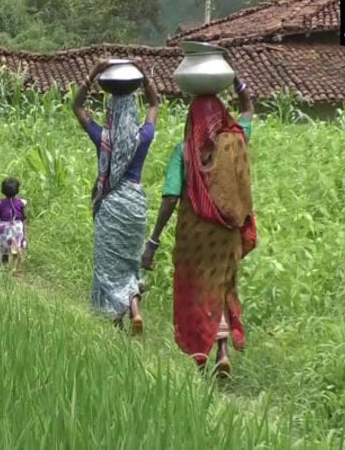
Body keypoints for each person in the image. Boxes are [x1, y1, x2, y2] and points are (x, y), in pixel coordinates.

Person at [141, 76, 255, 376]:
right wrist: (237, 83)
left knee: (196, 290)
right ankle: (222, 350)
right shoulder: (235, 140)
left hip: (194, 237)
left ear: (192, 120)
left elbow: (169, 198)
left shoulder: (184, 152)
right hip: (226, 236)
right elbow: (247, 112)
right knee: (222, 287)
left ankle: (202, 350)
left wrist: (152, 242)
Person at [72, 59, 159, 334]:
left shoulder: (103, 138)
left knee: (109, 267)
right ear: (132, 111)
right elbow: (154, 106)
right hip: (135, 205)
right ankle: (133, 304)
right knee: (129, 263)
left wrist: (95, 72)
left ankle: (119, 322)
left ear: (111, 110)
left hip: (111, 207)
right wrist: (144, 76)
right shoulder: (142, 137)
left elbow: (77, 106)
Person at [0, 178, 28, 275]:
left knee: (4, 248)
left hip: (4, 228)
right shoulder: (21, 203)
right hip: (16, 227)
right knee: (16, 249)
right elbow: (24, 216)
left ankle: (4, 266)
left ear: (3, 190)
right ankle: (15, 268)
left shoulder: (0, 203)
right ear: (17, 190)